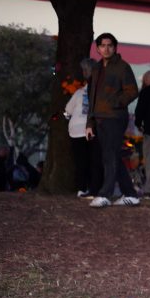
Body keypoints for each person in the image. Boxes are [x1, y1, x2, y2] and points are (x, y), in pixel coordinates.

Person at [85, 33, 140, 207]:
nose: (106, 48)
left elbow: (132, 91)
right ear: (98, 48)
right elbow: (91, 96)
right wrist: (89, 123)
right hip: (99, 118)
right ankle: (131, 194)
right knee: (112, 155)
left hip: (115, 117)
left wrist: (115, 103)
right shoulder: (96, 68)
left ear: (115, 47)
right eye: (103, 45)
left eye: (110, 45)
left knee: (109, 155)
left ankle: (105, 194)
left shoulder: (123, 67)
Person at [64, 58, 95, 197]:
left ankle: (81, 188)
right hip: (91, 129)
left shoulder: (78, 93)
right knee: (91, 160)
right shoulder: (97, 93)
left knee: (80, 160)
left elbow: (67, 110)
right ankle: (91, 187)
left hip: (76, 130)